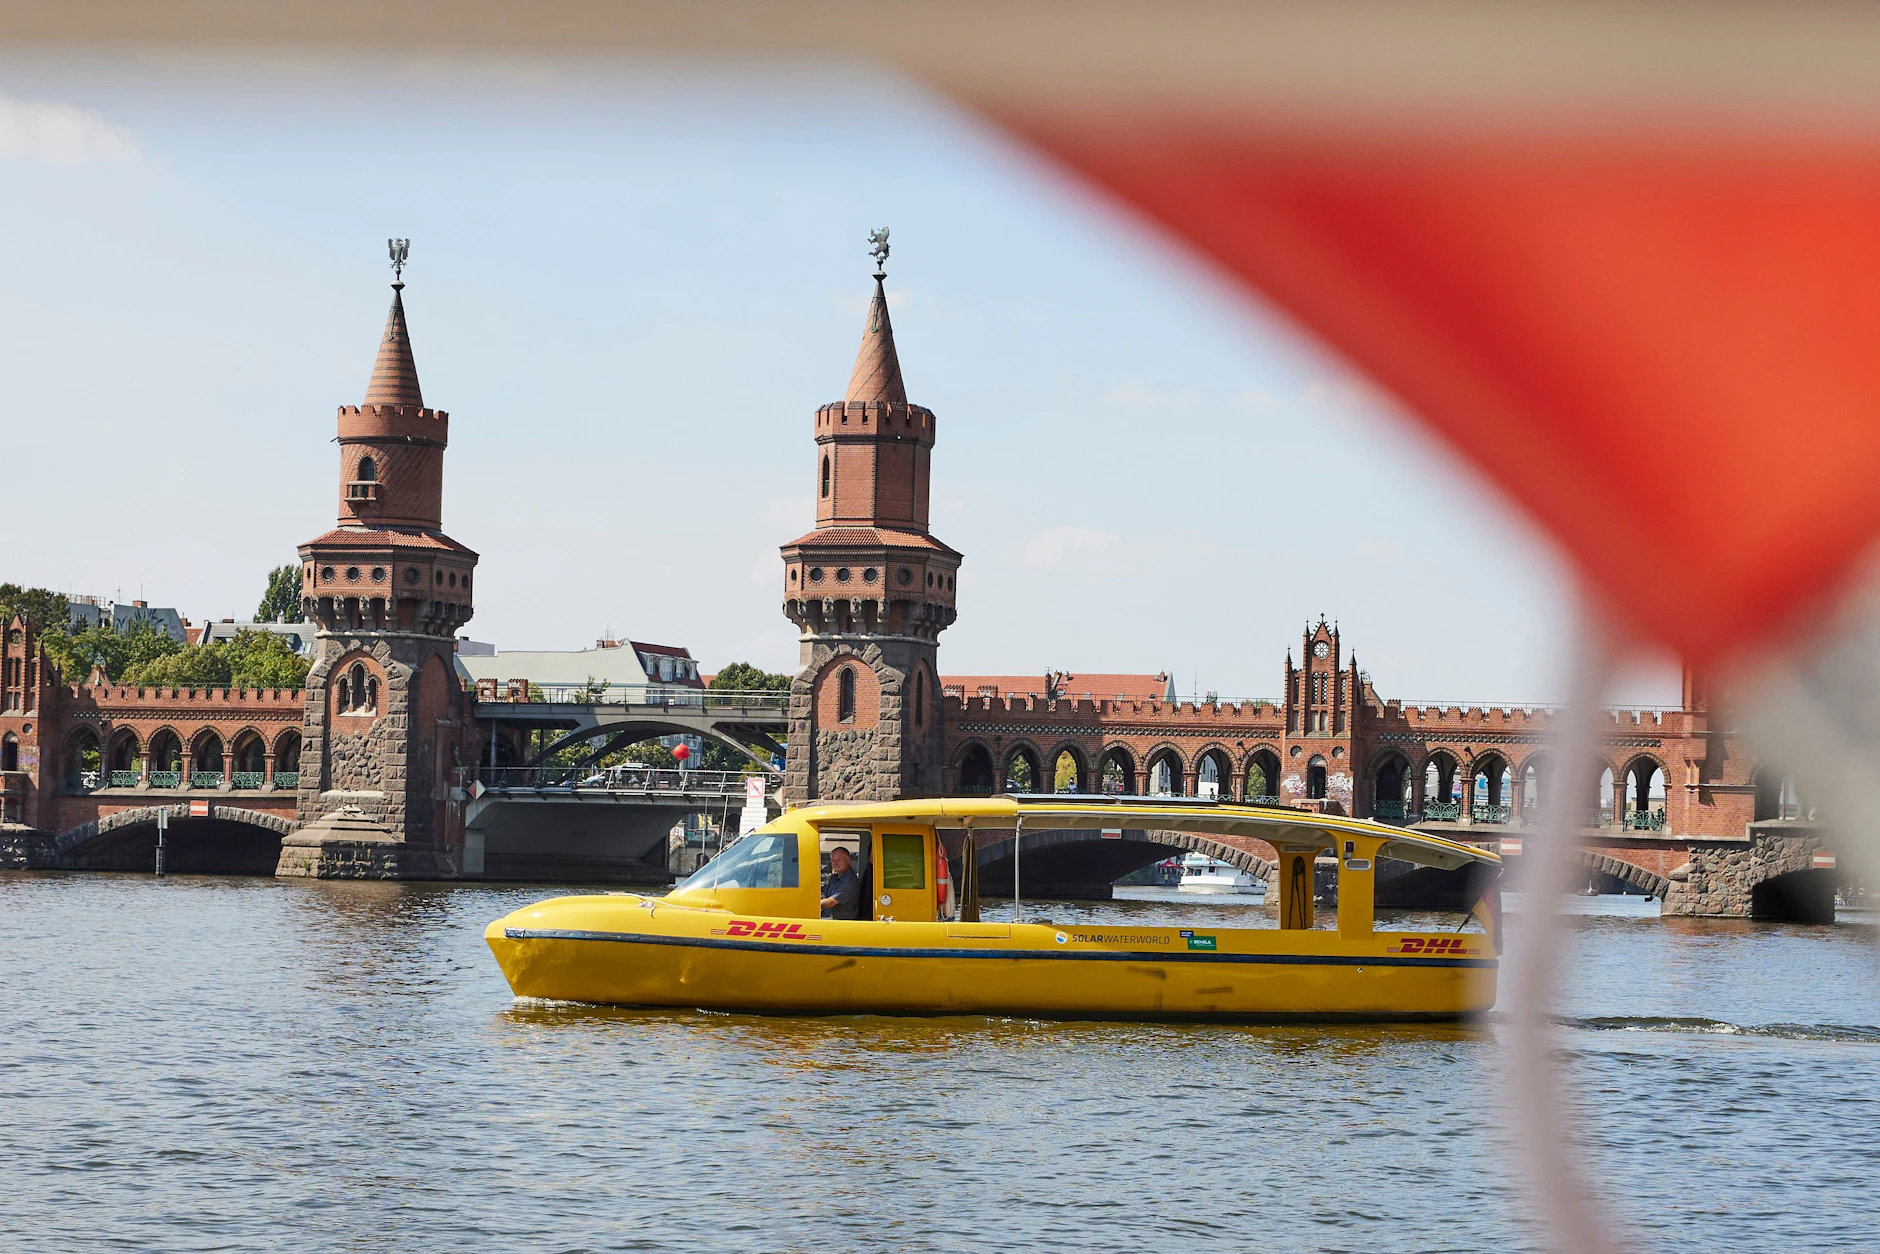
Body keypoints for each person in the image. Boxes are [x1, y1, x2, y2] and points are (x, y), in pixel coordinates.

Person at [820, 846, 862, 920]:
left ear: (848, 860)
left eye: (839, 860)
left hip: (841, 925)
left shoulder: (850, 881)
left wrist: (809, 905)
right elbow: (826, 897)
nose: (835, 863)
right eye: (833, 860)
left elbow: (830, 902)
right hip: (827, 921)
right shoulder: (834, 878)